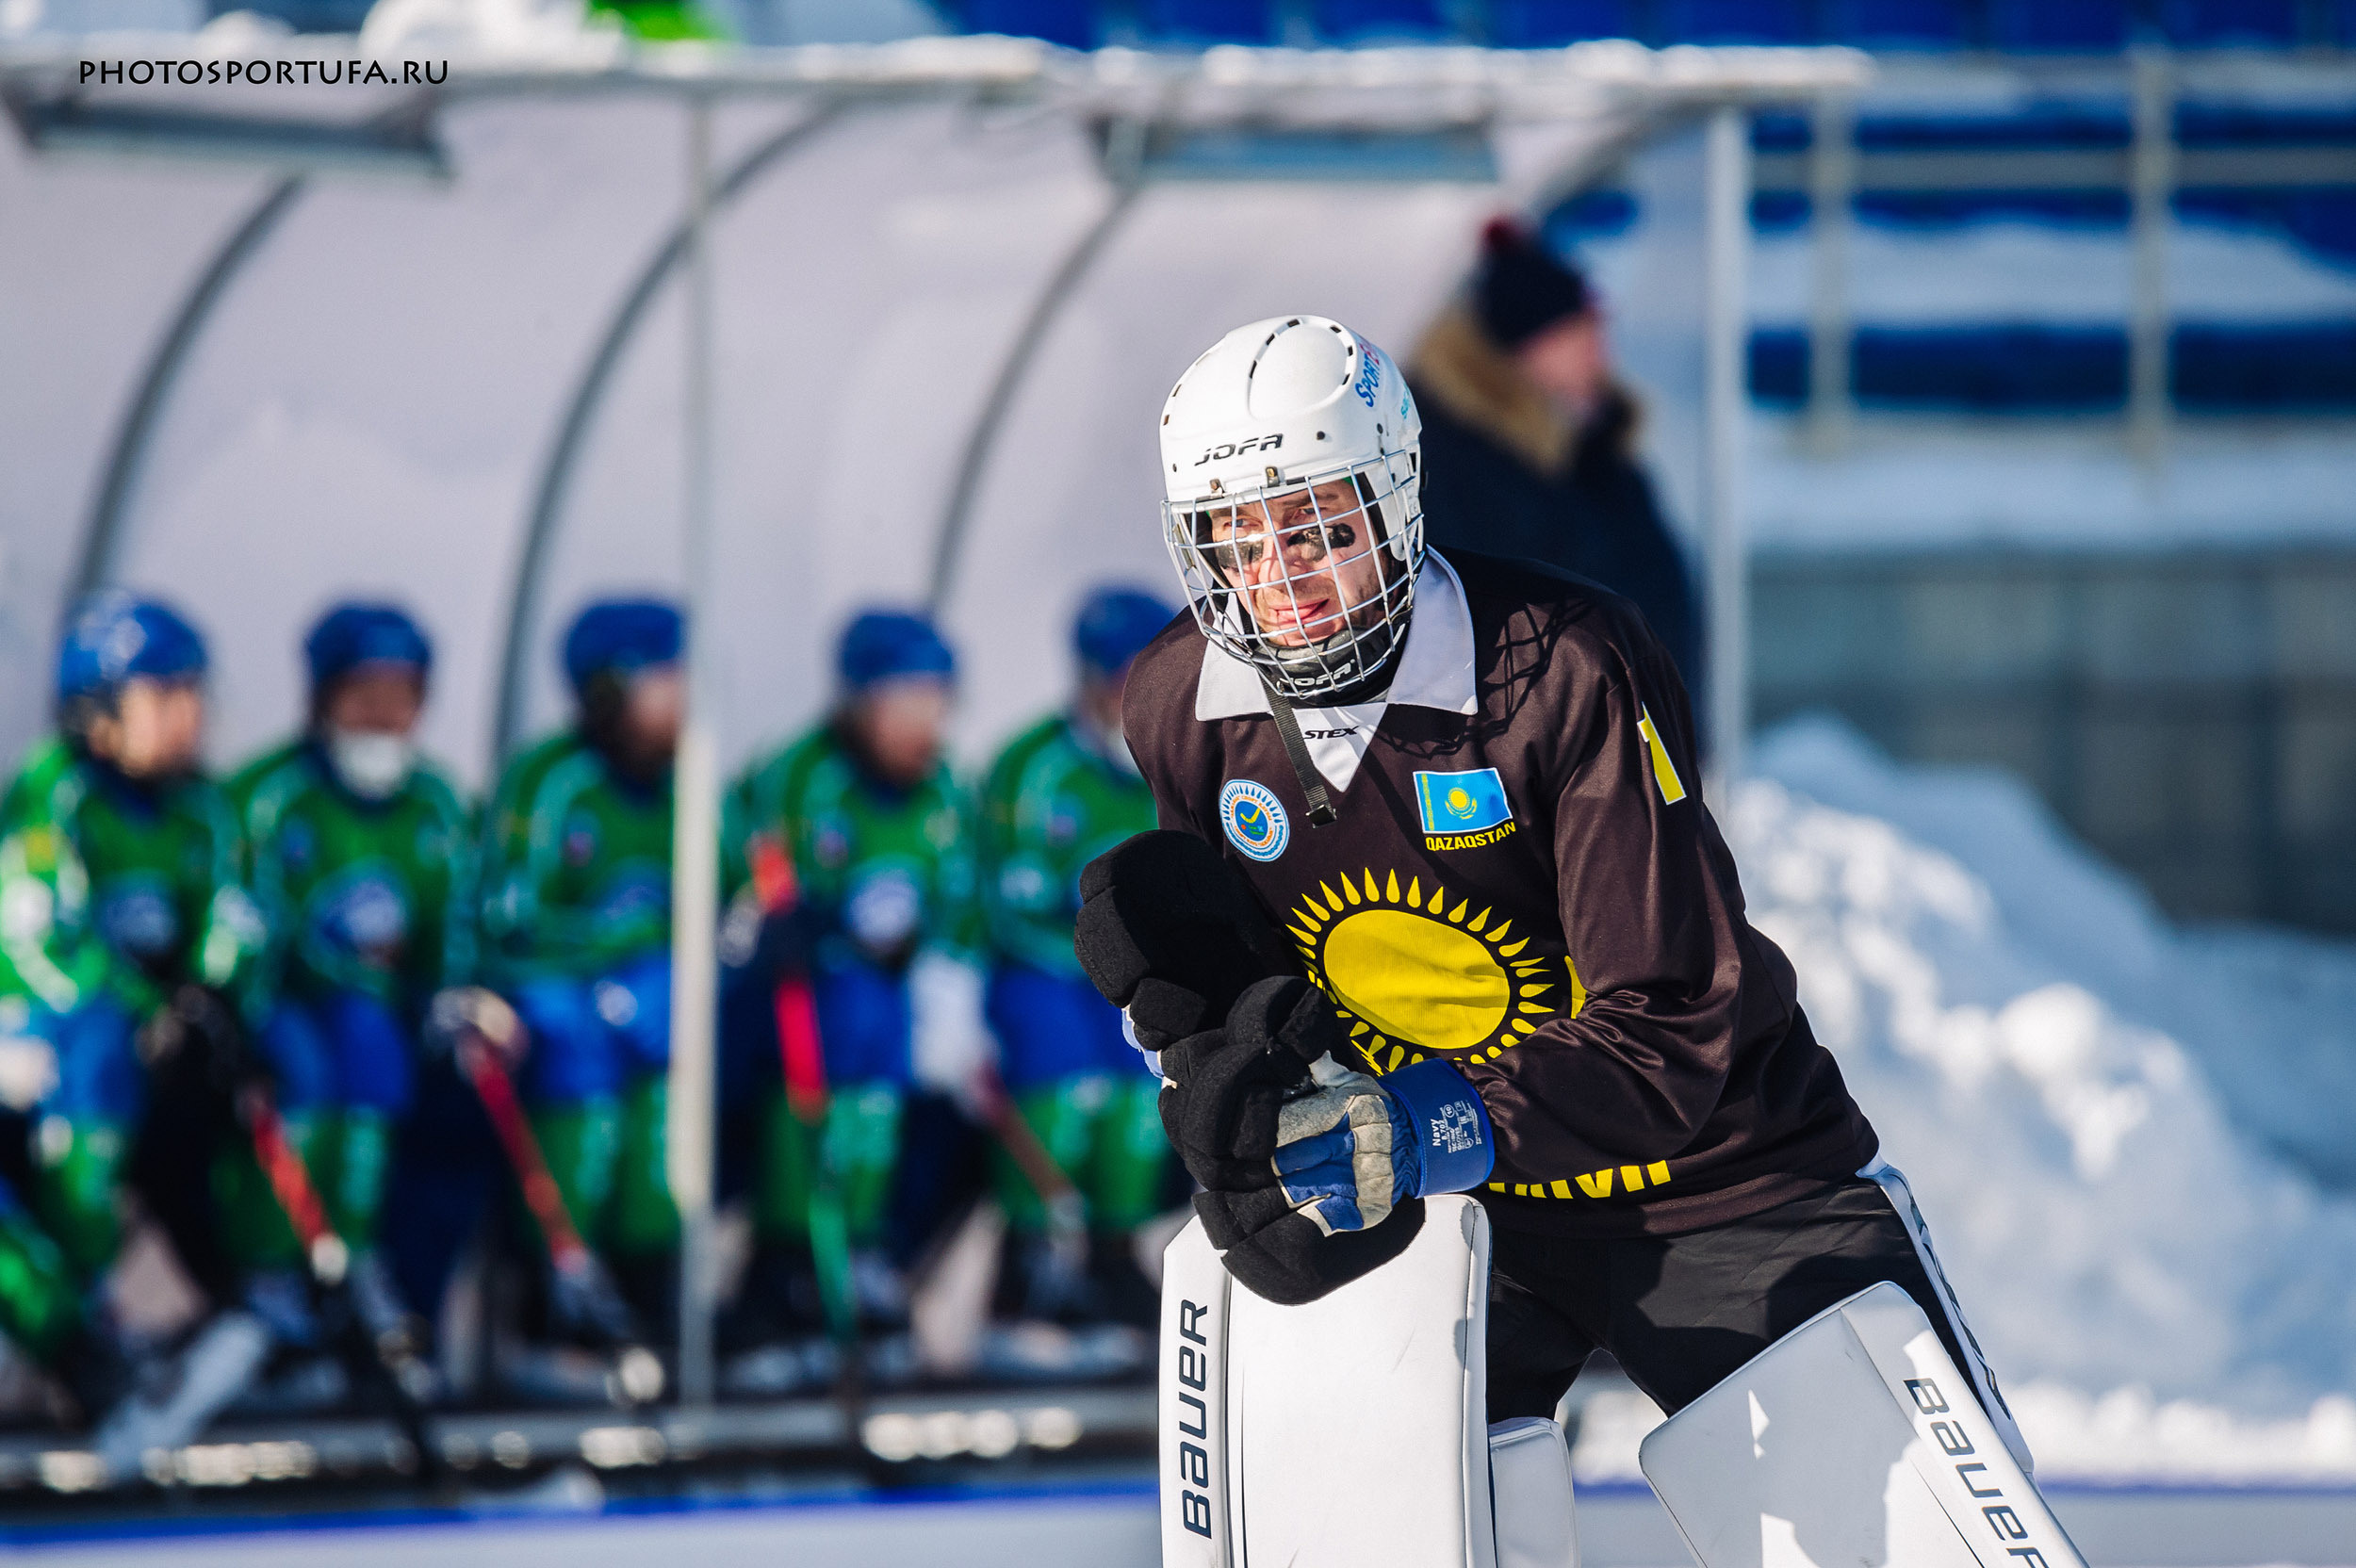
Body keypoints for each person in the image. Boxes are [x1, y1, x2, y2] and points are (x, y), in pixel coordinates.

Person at [1082, 315, 2027, 1458]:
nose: (1281, 574)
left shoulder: (1566, 664)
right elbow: (1271, 1005)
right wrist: (1238, 1089)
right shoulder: (1179, 702)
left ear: (1392, 500)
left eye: (1318, 524)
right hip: (1442, 1208)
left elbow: (1673, 1019)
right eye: (1239, 535)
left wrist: (1419, 1122)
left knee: (1913, 1529)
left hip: (1715, 1184)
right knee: (1351, 1521)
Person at [0, 592, 273, 1469]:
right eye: (164, 694)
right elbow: (49, 943)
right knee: (94, 1063)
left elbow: (233, 915)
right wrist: (148, 1005)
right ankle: (87, 1346)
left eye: (194, 692)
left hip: (143, 1044)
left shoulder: (204, 809)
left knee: (255, 1072)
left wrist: (211, 993)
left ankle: (263, 1311)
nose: (188, 715)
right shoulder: (56, 795)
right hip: (40, 1047)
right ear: (102, 710)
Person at [724, 610, 985, 1355]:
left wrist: (941, 971)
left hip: (886, 1012)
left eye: (936, 703)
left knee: (886, 1099)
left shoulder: (941, 791)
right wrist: (783, 919)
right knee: (825, 1074)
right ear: (857, 702)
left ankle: (861, 1246)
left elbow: (959, 900)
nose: (922, 725)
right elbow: (750, 880)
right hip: (796, 1006)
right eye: (904, 704)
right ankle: (785, 1258)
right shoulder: (800, 775)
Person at [224, 603, 473, 1364]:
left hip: (384, 1026)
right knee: (320, 1058)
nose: (383, 717)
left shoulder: (434, 800)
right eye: (363, 696)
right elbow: (264, 933)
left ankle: (370, 1278)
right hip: (279, 1014)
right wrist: (376, 987)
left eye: (403, 697)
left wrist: (448, 997)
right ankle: (277, 1284)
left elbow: (454, 930)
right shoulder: (270, 797)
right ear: (321, 698)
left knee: (454, 1102)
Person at [975, 588, 1175, 1340]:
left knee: (1140, 1107)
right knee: (1064, 1094)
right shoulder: (1032, 768)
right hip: (1048, 973)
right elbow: (1009, 904)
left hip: (1139, 979)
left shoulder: (1180, 752)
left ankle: (1115, 1262)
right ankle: (1031, 1270)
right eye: (1124, 674)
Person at [480, 598, 683, 1336]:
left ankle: (651, 1281)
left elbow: (733, 899)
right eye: (661, 682)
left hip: (654, 1011)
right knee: (575, 1044)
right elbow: (512, 926)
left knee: (672, 1064)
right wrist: (625, 946)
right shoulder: (551, 782)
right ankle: (553, 1294)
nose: (679, 701)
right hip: (563, 1007)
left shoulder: (691, 784)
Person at [1410, 219, 1705, 719]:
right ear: (1523, 350)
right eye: (1576, 337)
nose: (1598, 355)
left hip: (1625, 740)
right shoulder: (1457, 465)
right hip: (1540, 754)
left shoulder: (1596, 453)